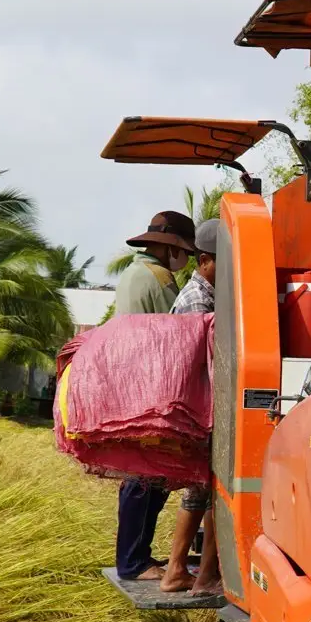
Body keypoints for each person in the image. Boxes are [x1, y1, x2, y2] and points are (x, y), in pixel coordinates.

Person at [111, 209, 196, 584]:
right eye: (185, 251)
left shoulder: (131, 272)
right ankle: (134, 562)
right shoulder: (159, 278)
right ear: (168, 248)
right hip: (150, 385)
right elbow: (179, 331)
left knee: (141, 476)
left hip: (130, 380)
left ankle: (135, 556)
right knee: (147, 479)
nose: (185, 259)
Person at [160, 220, 223, 596]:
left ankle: (179, 571)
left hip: (197, 405)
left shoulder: (201, 294)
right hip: (201, 406)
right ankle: (204, 577)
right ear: (203, 261)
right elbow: (205, 363)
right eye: (224, 265)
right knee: (218, 489)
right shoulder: (200, 300)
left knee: (200, 492)